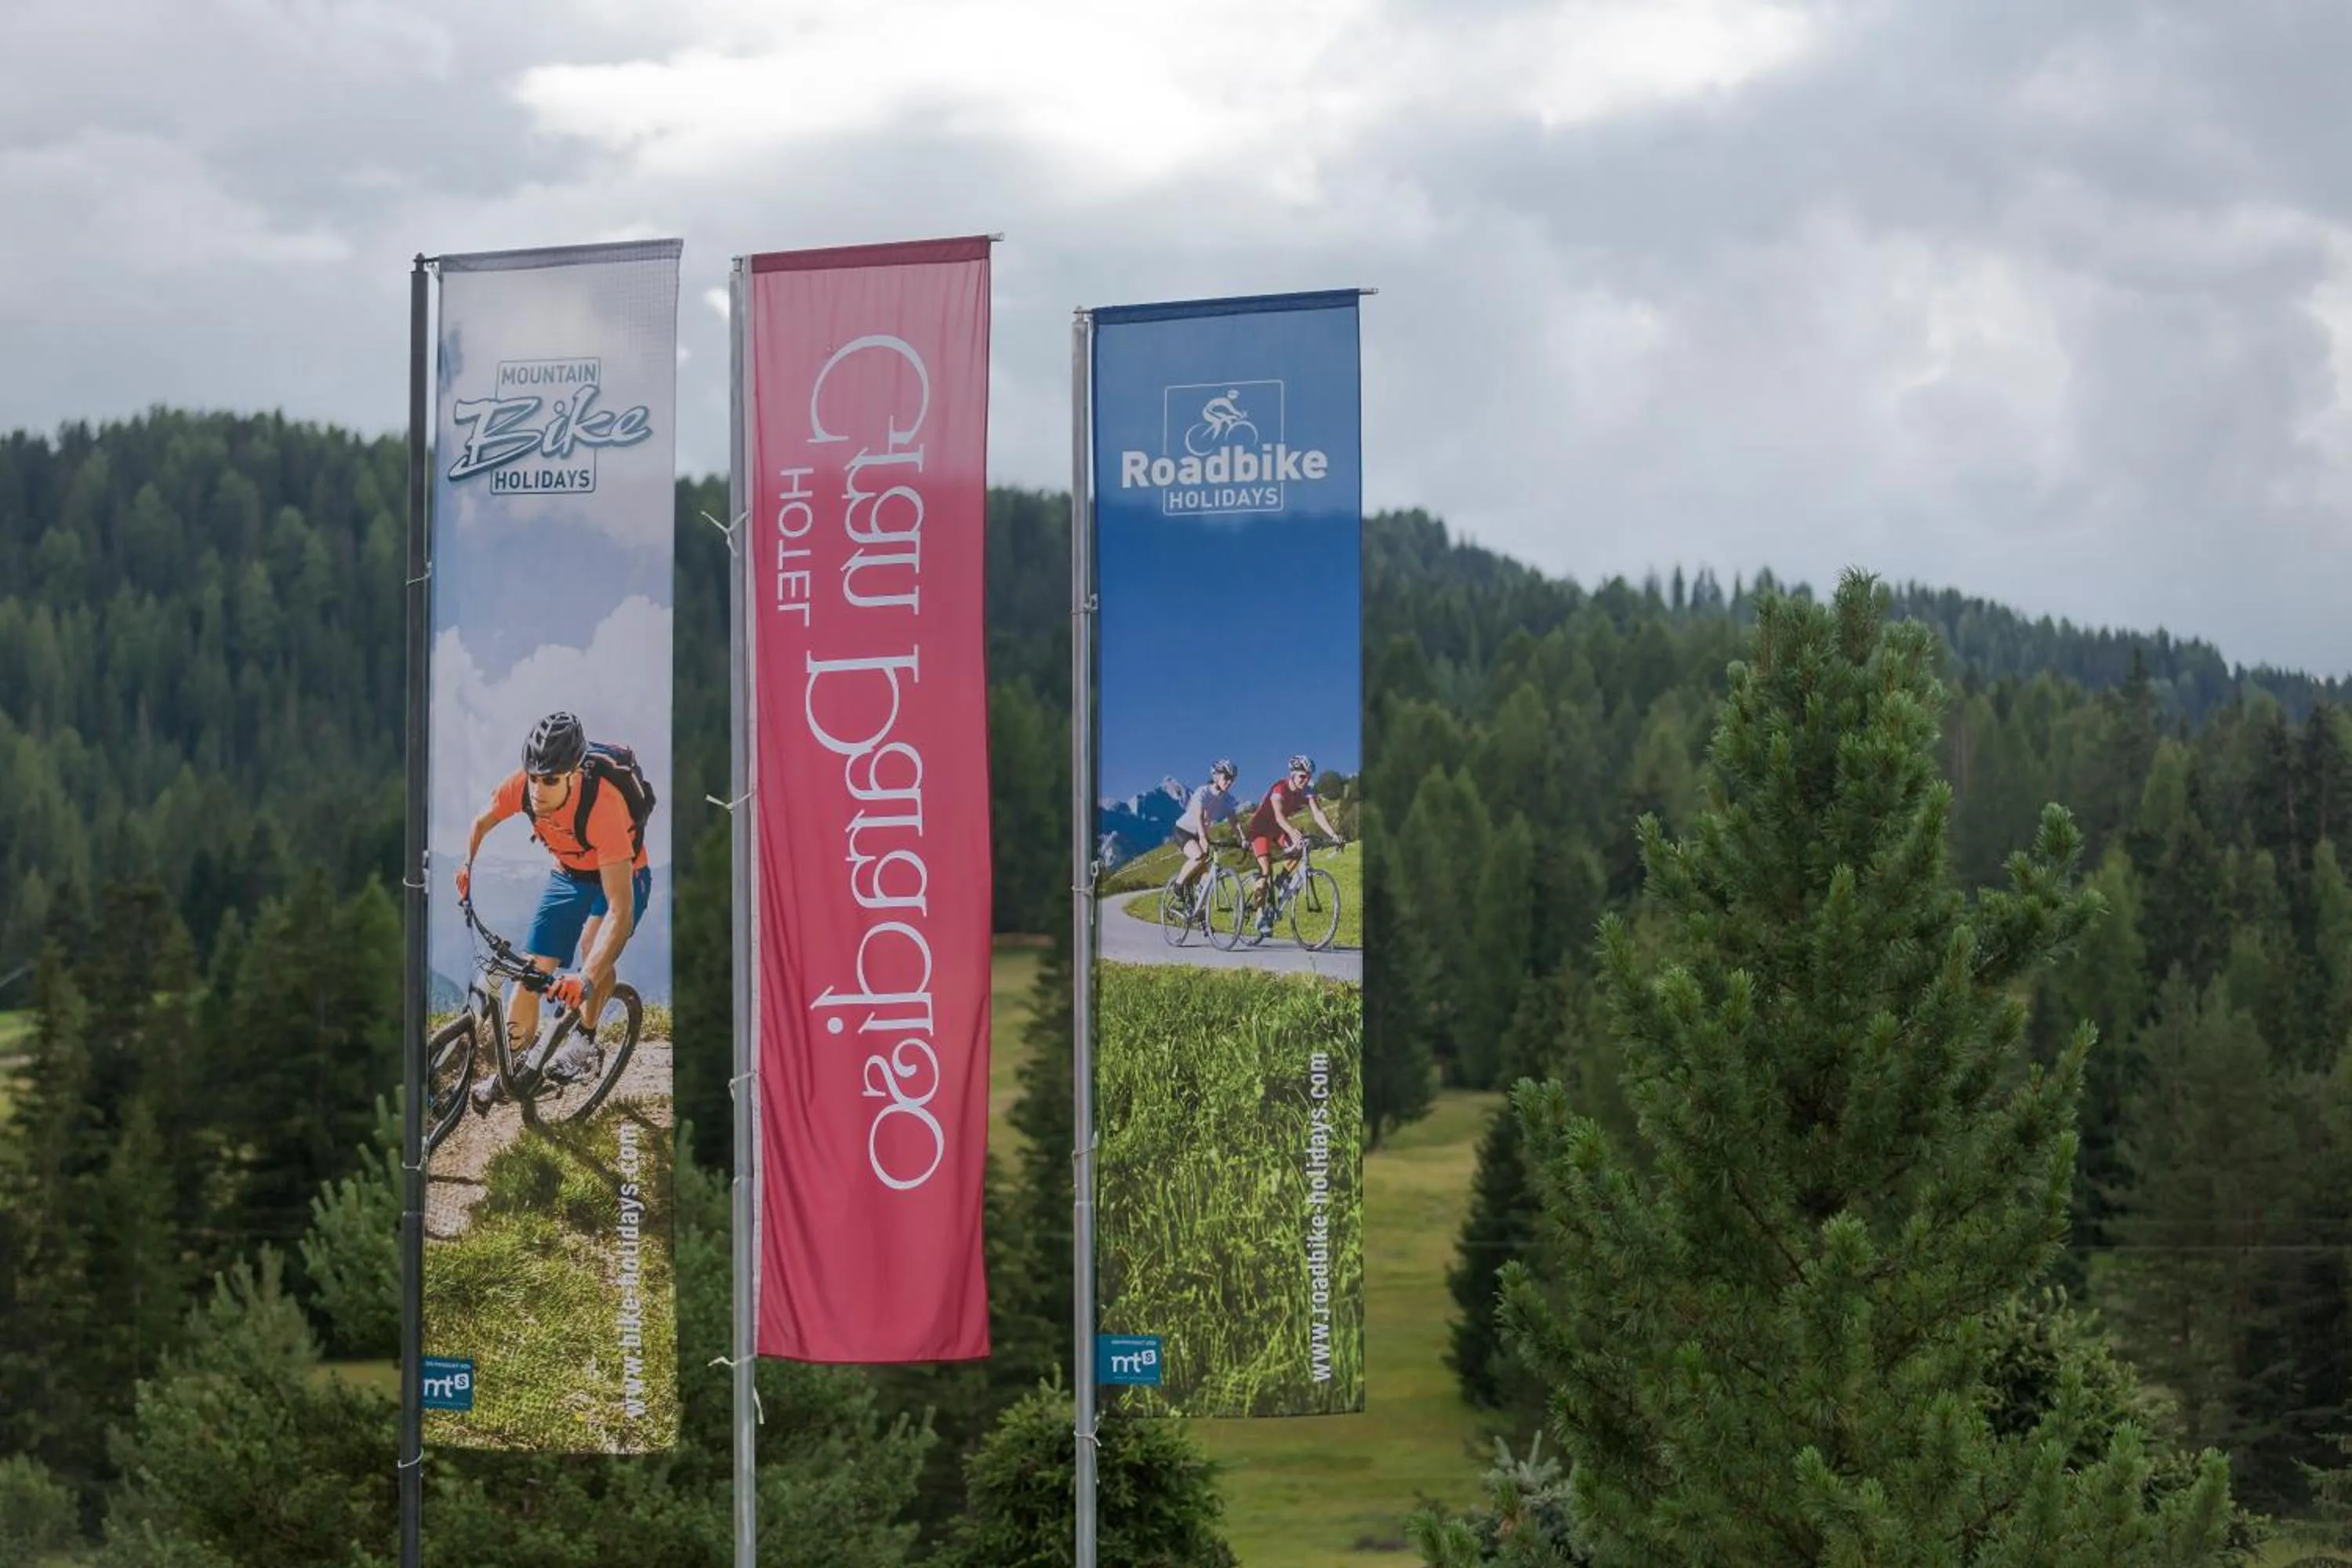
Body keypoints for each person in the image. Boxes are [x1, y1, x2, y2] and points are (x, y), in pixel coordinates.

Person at [455, 710, 652, 1110]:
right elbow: (479, 825)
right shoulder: (521, 788)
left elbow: (620, 912)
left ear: (574, 774)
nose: (538, 790)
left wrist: (583, 979)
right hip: (568, 875)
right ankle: (514, 1071)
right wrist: (467, 867)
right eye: (533, 777)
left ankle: (585, 1041)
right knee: (531, 971)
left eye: (551, 780)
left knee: (592, 944)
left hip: (620, 874)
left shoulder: (604, 809)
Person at [1246, 753, 1343, 932]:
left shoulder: (1308, 790)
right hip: (1260, 829)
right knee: (1265, 869)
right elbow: (1279, 816)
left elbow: (1318, 813)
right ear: (1292, 774)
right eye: (1302, 776)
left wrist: (1334, 835)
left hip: (1279, 829)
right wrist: (1292, 831)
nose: (1306, 780)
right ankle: (1259, 916)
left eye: (1309, 776)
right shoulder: (1279, 788)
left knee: (1301, 846)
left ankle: (1281, 879)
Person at [1170, 759, 1242, 915]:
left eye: (1232, 779)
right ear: (1216, 777)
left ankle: (1200, 916)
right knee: (1199, 856)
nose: (1229, 782)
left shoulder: (1227, 799)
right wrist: (1203, 837)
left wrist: (1242, 840)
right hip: (1184, 831)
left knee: (1204, 880)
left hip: (1200, 834)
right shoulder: (1203, 792)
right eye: (1226, 778)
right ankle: (1178, 885)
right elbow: (1199, 816)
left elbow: (1234, 822)